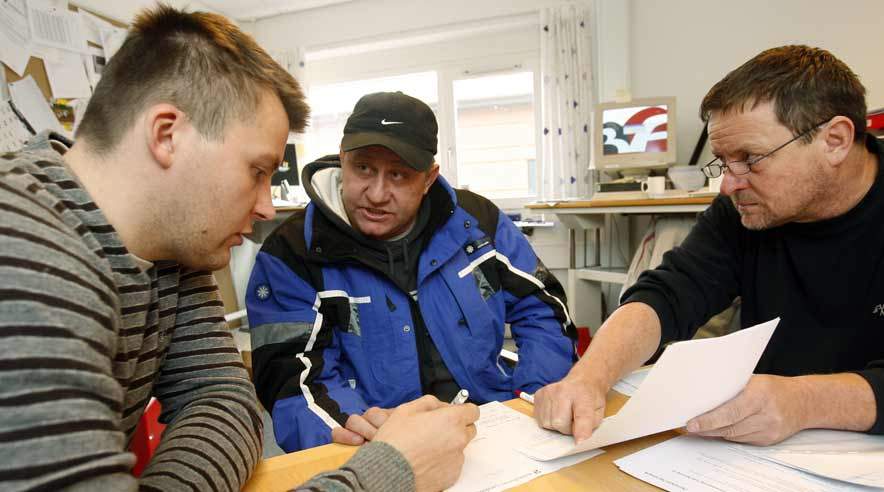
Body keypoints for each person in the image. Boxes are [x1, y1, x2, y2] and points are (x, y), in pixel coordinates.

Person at [0, 6, 477, 492]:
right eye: (257, 171)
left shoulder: (171, 253)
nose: (268, 207)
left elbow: (224, 402)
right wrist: (390, 473)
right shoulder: (23, 251)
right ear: (167, 135)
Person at [534, 45, 884, 446]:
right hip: (765, 448)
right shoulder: (743, 209)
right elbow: (668, 293)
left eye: (751, 158)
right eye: (723, 160)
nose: (728, 184)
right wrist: (589, 376)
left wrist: (804, 401)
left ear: (835, 140)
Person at [247, 91, 577, 451]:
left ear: (429, 179)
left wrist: (532, 399)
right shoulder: (291, 254)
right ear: (342, 158)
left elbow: (543, 311)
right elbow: (293, 384)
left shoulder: (479, 222)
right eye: (363, 168)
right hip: (381, 446)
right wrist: (376, 448)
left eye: (399, 175)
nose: (377, 194)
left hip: (496, 427)